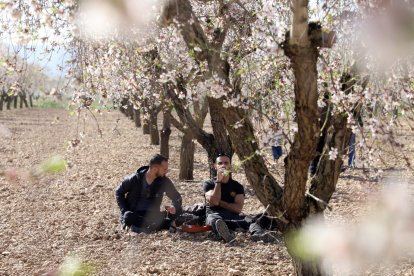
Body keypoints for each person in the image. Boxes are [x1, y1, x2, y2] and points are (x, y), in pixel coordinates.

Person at [204, 153, 279, 243]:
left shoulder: (237, 186)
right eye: (220, 163)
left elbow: (237, 209)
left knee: (252, 220)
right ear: (215, 166)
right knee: (215, 220)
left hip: (233, 217)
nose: (223, 165)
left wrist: (220, 202)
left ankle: (258, 234)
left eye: (226, 163)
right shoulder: (209, 184)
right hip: (215, 215)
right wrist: (218, 182)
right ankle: (225, 236)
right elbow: (214, 202)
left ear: (230, 166)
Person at [115, 154, 182, 233]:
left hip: (153, 215)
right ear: (154, 169)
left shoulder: (164, 181)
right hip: (135, 214)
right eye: (164, 169)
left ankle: (149, 226)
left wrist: (174, 207)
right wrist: (124, 211)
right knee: (128, 216)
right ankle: (163, 225)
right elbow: (118, 192)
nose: (167, 171)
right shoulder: (134, 179)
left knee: (178, 210)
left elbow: (177, 197)